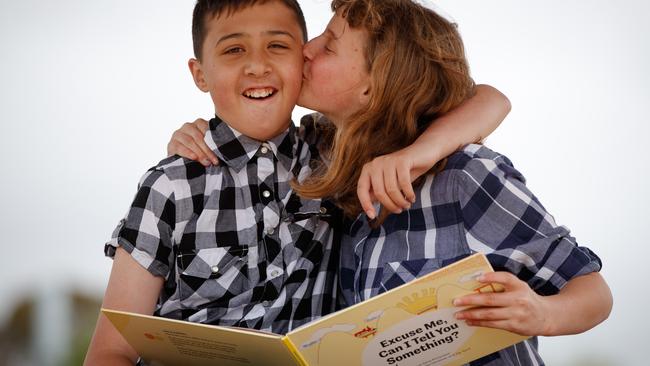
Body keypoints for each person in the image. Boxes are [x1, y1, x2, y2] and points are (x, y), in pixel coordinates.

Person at [171, 0, 613, 365]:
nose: (307, 49)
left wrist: (542, 313)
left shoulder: (462, 176)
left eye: (330, 46)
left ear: (375, 83)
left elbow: (593, 292)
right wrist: (197, 134)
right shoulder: (323, 161)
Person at [85, 0, 509, 365]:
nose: (257, 65)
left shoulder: (332, 155)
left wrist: (420, 152)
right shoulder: (170, 186)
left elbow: (490, 100)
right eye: (233, 50)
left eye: (278, 46)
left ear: (302, 61)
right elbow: (110, 350)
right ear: (201, 74)